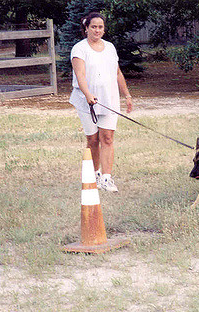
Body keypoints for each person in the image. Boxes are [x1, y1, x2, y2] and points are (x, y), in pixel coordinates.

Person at [69, 12, 133, 192]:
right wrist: (88, 94)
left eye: (100, 27)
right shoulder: (79, 49)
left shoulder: (110, 47)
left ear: (104, 29)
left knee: (107, 138)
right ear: (86, 28)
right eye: (93, 27)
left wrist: (127, 95)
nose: (97, 30)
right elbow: (80, 76)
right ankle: (94, 173)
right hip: (86, 101)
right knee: (92, 139)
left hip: (109, 99)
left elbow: (118, 73)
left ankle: (106, 178)